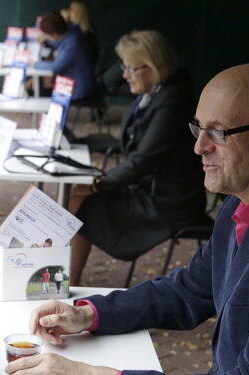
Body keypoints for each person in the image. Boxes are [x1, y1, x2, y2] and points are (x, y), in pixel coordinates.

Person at [8, 63, 249, 375]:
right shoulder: (245, 201)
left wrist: (93, 374)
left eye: (219, 132)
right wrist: (88, 314)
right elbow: (190, 290)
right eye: (198, 127)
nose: (199, 146)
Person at [68, 30, 206, 286]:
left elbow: (144, 158)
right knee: (79, 199)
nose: (124, 75)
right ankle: (66, 281)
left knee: (83, 206)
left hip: (169, 200)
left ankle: (67, 283)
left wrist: (99, 183)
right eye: (124, 66)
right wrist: (84, 144)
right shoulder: (155, 91)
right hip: (149, 187)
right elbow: (108, 82)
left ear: (154, 67)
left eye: (131, 68)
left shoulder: (173, 101)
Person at [29, 11, 96, 102]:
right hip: (75, 82)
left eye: (47, 35)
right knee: (37, 88)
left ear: (54, 34)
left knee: (37, 93)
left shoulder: (73, 43)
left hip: (77, 90)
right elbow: (60, 42)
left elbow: (56, 67)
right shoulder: (72, 30)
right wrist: (47, 40)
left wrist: (35, 64)